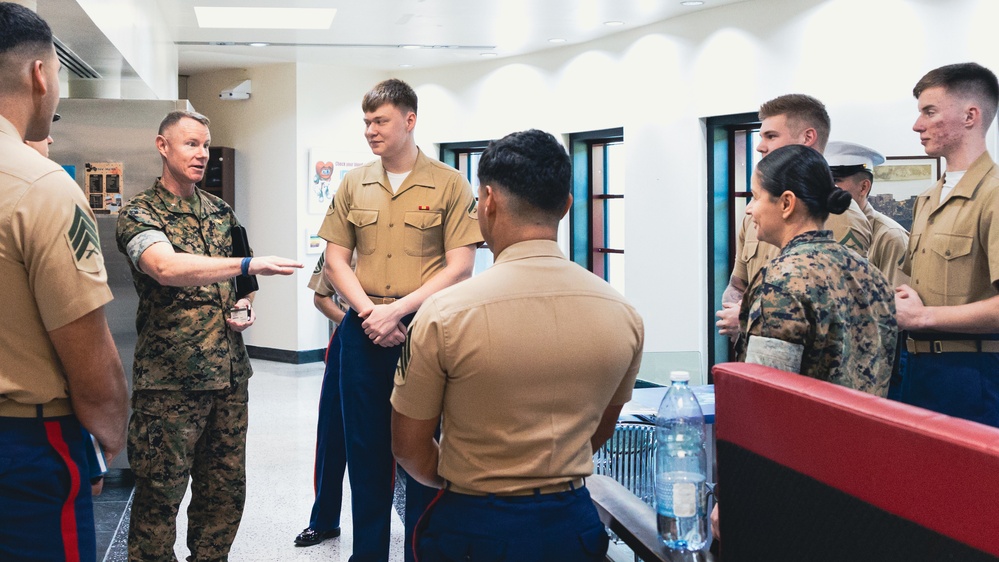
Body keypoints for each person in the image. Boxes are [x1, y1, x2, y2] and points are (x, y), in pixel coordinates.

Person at [391, 128, 644, 561]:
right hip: (573, 525)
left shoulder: (446, 314)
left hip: (473, 524)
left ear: (487, 201)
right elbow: (600, 429)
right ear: (565, 205)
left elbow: (409, 447)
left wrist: (465, 477)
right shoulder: (622, 314)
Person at [115, 110, 303, 561]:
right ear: (163, 146)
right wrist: (245, 266)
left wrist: (243, 305)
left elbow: (245, 286)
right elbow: (164, 267)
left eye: (205, 145)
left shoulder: (221, 213)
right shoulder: (139, 212)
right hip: (170, 385)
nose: (201, 155)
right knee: (159, 500)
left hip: (229, 383)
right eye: (190, 145)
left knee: (223, 498)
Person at [319, 78, 483, 562]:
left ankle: (421, 552)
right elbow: (335, 260)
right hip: (363, 329)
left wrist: (397, 311)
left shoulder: (449, 183)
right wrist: (372, 312)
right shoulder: (353, 183)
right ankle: (367, 554)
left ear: (410, 121)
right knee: (365, 449)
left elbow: (461, 266)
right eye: (366, 122)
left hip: (426, 331)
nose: (371, 130)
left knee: (425, 451)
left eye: (381, 121)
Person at [0, 3, 128, 561]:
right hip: (23, 449)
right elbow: (90, 356)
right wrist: (106, 438)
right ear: (40, 75)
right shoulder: (42, 188)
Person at [734, 144, 896, 395]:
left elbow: (765, 397)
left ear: (787, 203)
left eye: (756, 197)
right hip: (866, 432)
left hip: (806, 433)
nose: (749, 208)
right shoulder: (871, 276)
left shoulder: (781, 282)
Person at [716, 94, 872, 339]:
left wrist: (751, 318)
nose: (760, 146)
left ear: (807, 138)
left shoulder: (839, 215)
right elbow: (738, 285)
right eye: (761, 136)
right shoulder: (758, 211)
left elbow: (842, 312)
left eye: (771, 136)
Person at [895, 62, 999, 427]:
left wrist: (924, 317)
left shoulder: (994, 194)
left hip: (974, 374)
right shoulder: (928, 199)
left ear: (971, 116)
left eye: (930, 111)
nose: (917, 124)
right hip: (918, 369)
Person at [294, 253, 347, 547]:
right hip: (351, 336)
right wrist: (354, 324)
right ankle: (324, 521)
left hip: (404, 336)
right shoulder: (338, 247)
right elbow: (321, 297)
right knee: (332, 433)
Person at [825, 141, 910, 287]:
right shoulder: (823, 227)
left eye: (836, 181)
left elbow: (897, 301)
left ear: (864, 187)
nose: (828, 188)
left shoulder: (890, 237)